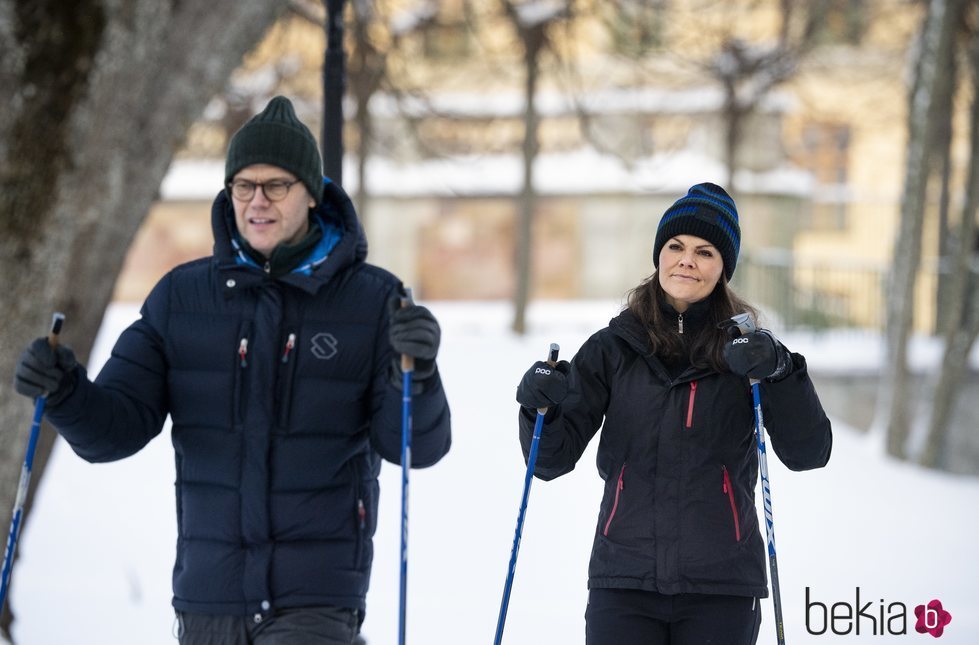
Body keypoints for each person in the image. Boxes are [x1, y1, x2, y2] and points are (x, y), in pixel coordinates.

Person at [13, 96, 451, 644]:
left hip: (315, 600)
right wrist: (65, 392)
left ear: (311, 194)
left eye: (276, 185)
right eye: (244, 185)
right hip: (208, 601)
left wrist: (419, 374)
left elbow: (416, 447)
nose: (257, 201)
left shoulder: (370, 301)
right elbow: (114, 430)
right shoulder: (182, 299)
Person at [514, 183, 831, 645]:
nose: (687, 259)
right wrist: (537, 406)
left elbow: (809, 452)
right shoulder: (613, 347)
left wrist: (782, 370)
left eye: (705, 252)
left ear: (724, 267)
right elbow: (548, 461)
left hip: (721, 587)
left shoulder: (746, 355)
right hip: (624, 582)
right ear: (659, 255)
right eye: (676, 246)